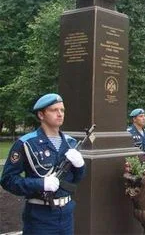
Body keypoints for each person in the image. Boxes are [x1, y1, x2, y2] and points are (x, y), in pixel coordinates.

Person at [0, 93, 86, 235]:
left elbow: (77, 179)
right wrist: (40, 184)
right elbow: (8, 180)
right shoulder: (26, 143)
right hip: (40, 216)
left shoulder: (70, 143)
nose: (60, 114)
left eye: (62, 110)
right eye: (54, 110)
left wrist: (80, 165)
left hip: (66, 214)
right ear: (41, 115)